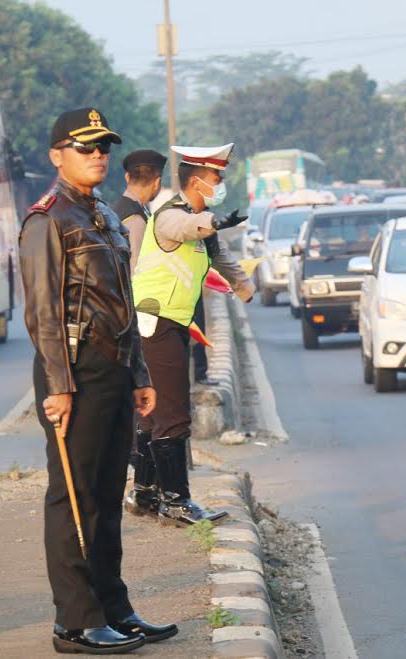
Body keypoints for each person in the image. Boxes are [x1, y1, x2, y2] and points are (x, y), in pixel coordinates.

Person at [19, 107, 177, 654]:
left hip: (113, 369)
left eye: (103, 146)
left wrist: (138, 371)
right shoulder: (47, 220)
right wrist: (59, 386)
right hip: (74, 371)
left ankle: (115, 609)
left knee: (109, 496)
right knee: (73, 495)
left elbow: (123, 302)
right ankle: (75, 621)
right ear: (57, 156)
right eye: (85, 147)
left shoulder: (105, 216)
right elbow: (42, 311)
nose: (98, 156)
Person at [128, 143, 255, 526]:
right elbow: (184, 229)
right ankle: (177, 502)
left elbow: (220, 258)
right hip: (156, 322)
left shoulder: (201, 224)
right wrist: (214, 220)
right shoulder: (172, 215)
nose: (221, 183)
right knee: (173, 412)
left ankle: (145, 492)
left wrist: (245, 288)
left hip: (170, 322)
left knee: (155, 413)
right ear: (197, 181)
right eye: (217, 177)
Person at [111, 149, 167, 272]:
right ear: (157, 182)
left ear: (127, 177)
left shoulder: (116, 209)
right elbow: (136, 269)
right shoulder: (136, 218)